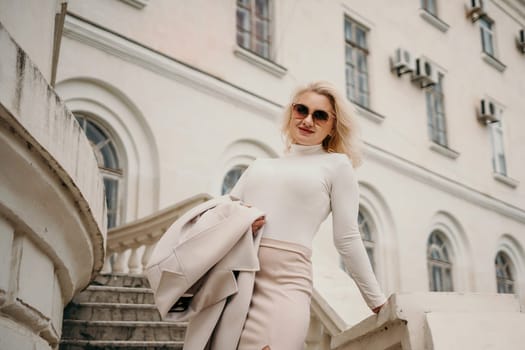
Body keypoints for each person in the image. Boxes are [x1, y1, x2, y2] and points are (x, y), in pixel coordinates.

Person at [230, 81, 387, 350]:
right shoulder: (259, 165)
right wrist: (239, 221)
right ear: (291, 113)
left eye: (320, 115)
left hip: (286, 284)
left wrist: (377, 300)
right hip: (236, 280)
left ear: (332, 126)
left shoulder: (337, 166)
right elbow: (222, 216)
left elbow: (347, 238)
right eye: (301, 110)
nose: (308, 120)